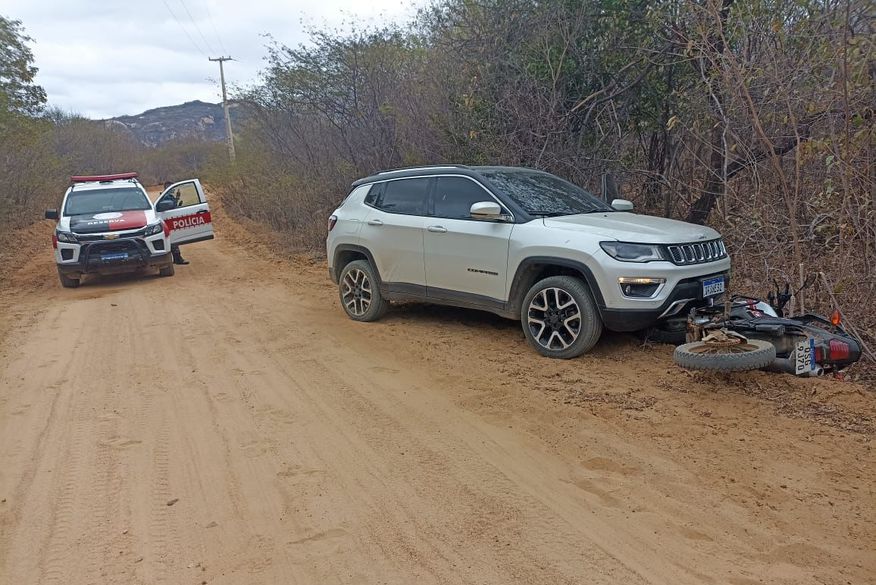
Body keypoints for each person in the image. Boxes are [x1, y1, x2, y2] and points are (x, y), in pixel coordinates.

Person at [162, 180, 189, 265]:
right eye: (171, 187)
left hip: (170, 219)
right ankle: (178, 259)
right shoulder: (167, 197)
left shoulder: (168, 196)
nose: (173, 190)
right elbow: (171, 207)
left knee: (173, 240)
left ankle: (176, 258)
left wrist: (177, 198)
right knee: (173, 240)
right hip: (169, 220)